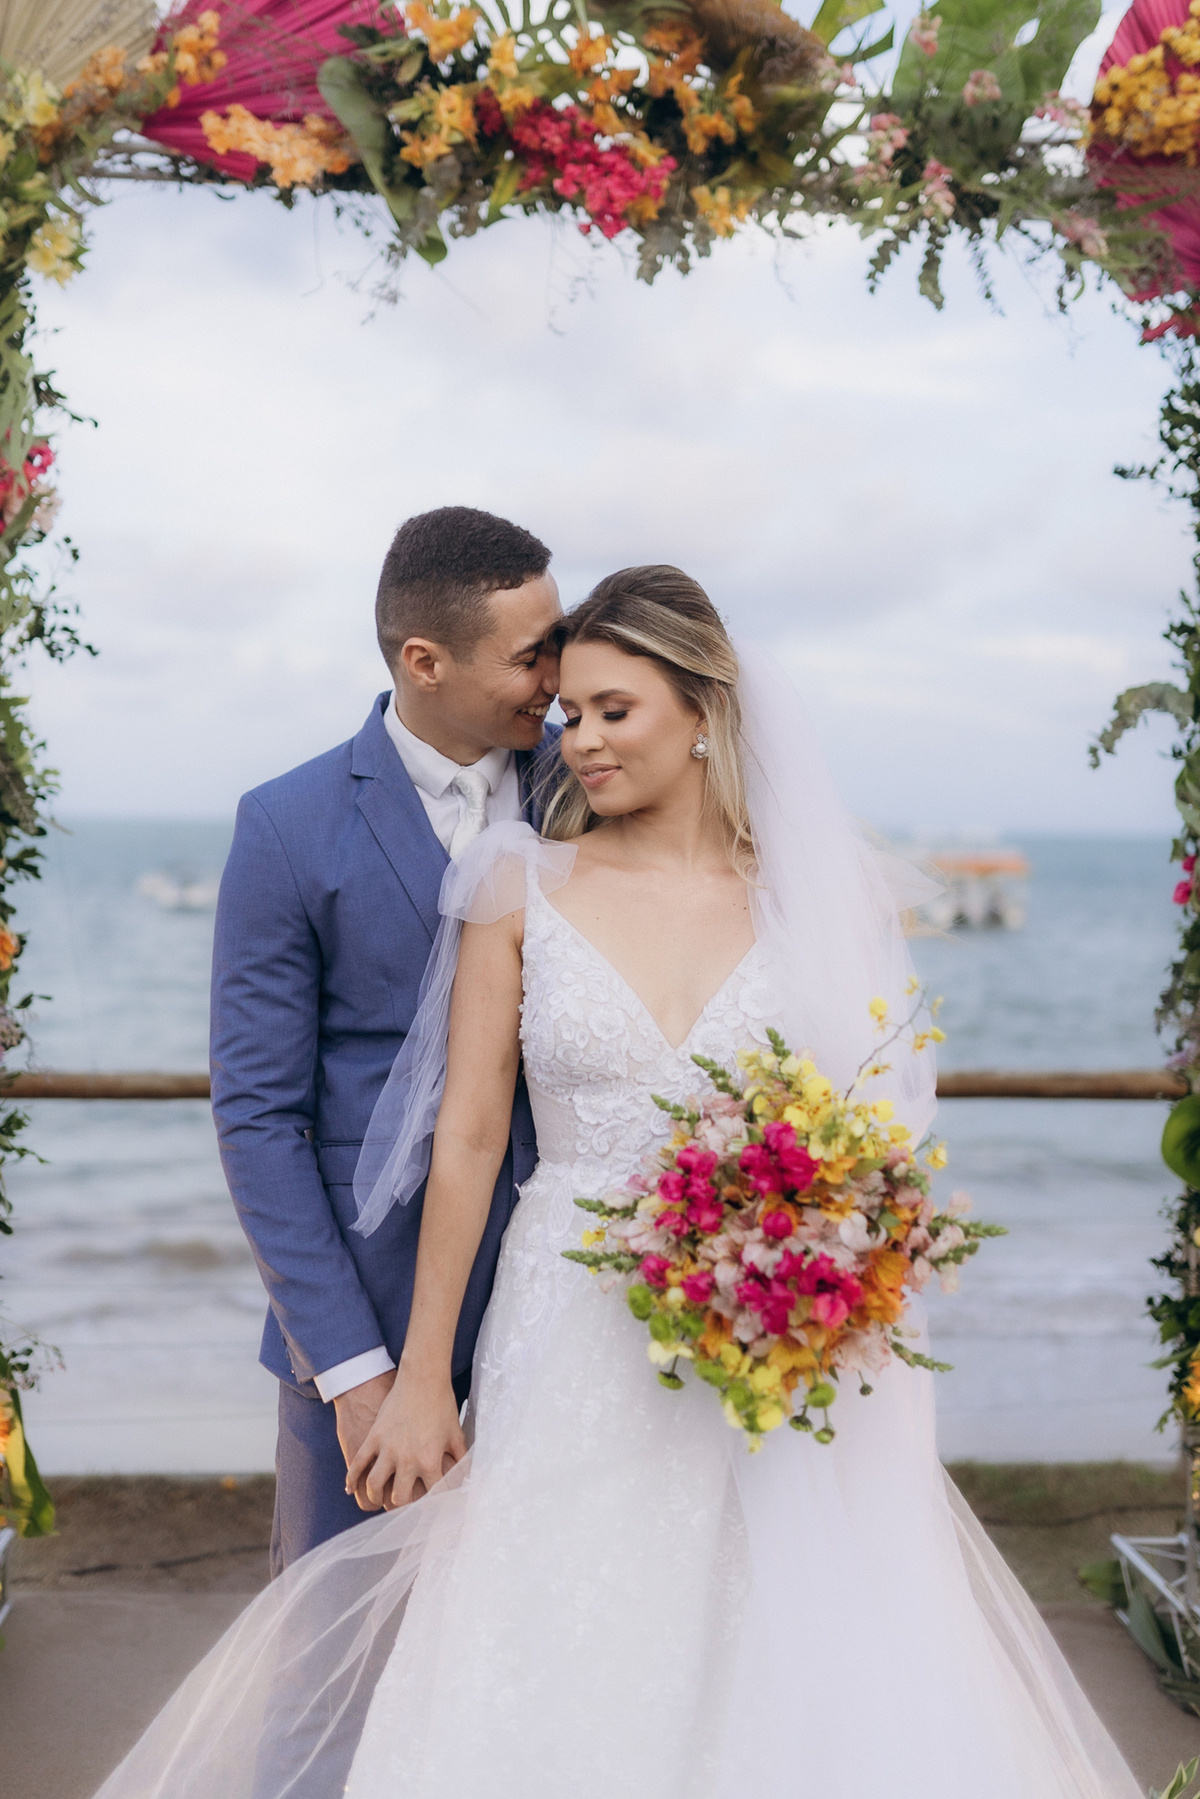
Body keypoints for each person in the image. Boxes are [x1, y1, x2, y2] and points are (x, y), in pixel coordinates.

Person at [97, 569, 1142, 1799]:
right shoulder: (516, 882)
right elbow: (470, 1139)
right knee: (545, 1637)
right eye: (569, 714)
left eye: (611, 711)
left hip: (762, 1340)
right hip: (565, 1328)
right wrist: (424, 1369)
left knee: (770, 1653)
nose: (578, 741)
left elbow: (874, 1133)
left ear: (702, 708)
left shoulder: (825, 896)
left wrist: (822, 1274)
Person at [209, 505, 562, 1568]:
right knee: (334, 1675)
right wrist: (357, 1373)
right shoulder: (286, 823)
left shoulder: (592, 791)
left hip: (566, 1312)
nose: (558, 674)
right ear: (425, 660)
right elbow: (261, 1116)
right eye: (532, 653)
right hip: (360, 1314)